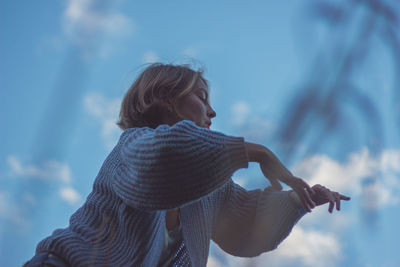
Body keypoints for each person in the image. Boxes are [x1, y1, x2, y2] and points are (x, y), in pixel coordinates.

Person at [24, 63, 350, 267]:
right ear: (167, 97)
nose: (212, 112)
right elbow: (163, 161)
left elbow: (245, 226)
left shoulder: (209, 191)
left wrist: (298, 200)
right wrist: (257, 152)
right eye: (202, 98)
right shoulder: (133, 146)